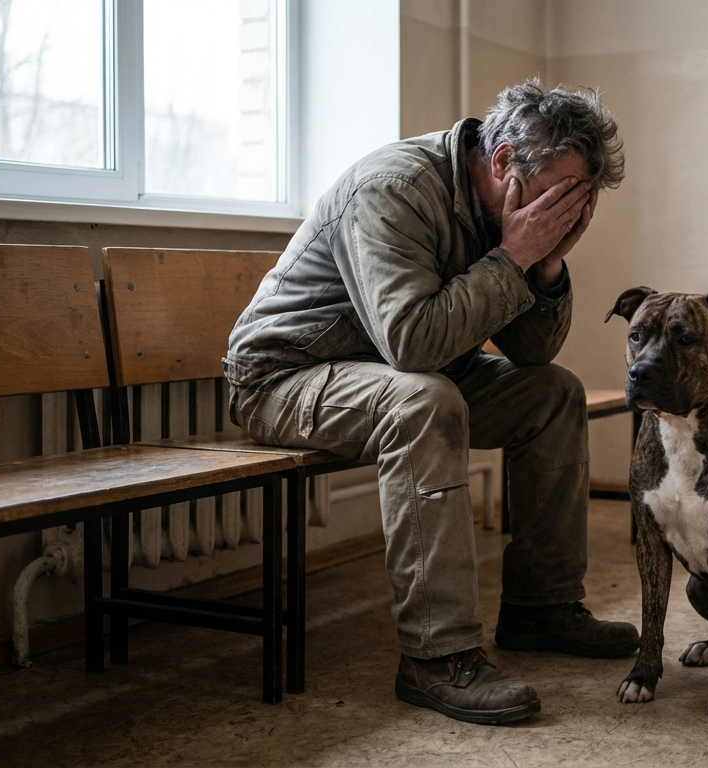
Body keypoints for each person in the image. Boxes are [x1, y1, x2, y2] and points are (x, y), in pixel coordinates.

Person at [225, 80, 634, 725]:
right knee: (424, 401)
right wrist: (515, 255)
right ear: (504, 161)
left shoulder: (504, 207)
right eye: (559, 195)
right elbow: (412, 344)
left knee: (553, 394)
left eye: (579, 201)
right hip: (284, 376)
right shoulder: (393, 189)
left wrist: (547, 262)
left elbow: (534, 353)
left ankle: (543, 608)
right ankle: (436, 656)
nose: (566, 212)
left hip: (396, 369)